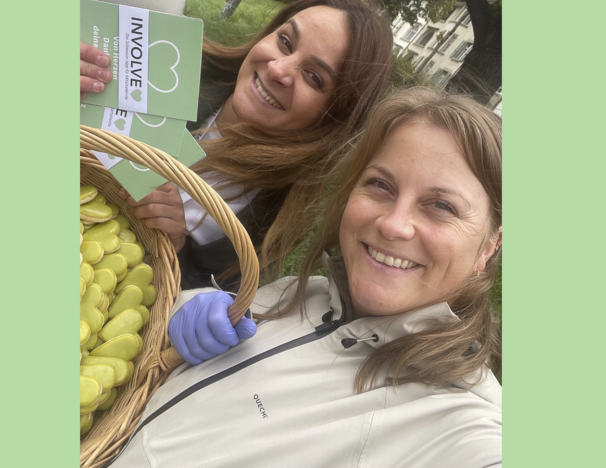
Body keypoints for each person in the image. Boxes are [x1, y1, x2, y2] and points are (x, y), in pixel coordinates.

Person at [108, 87, 503, 467]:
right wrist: (181, 311)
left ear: (489, 245)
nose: (394, 225)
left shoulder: (457, 419)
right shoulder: (300, 294)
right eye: (380, 185)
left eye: (441, 206)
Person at [81, 0, 395, 289]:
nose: (278, 69)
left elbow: (208, 304)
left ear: (332, 118)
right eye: (285, 42)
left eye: (314, 77)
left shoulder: (276, 222)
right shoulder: (162, 64)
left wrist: (174, 244)